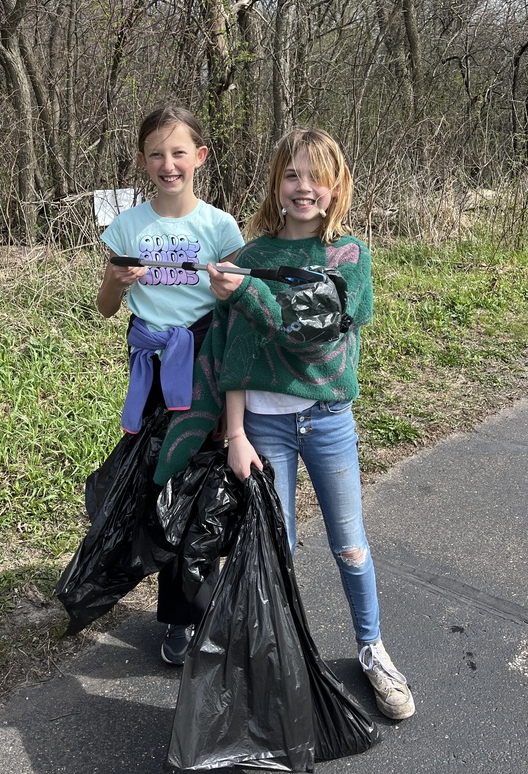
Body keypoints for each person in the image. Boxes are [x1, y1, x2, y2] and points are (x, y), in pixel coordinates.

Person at [156, 128, 415, 720]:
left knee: (350, 545)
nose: (304, 187)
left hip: (328, 422)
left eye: (316, 176)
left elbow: (317, 325)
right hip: (265, 430)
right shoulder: (251, 258)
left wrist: (249, 295)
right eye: (292, 174)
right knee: (281, 549)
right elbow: (231, 357)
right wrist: (237, 433)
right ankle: (288, 657)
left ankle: (372, 649)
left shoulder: (349, 256)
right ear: (276, 182)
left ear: (336, 186)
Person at [96, 104, 243, 665]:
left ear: (199, 158)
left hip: (203, 365)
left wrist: (228, 288)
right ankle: (137, 574)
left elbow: (234, 308)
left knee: (197, 491)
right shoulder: (128, 226)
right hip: (150, 372)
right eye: (156, 153)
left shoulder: (218, 226)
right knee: (154, 484)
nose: (167, 163)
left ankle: (186, 614)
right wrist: (114, 280)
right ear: (141, 161)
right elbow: (108, 307)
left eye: (178, 152)